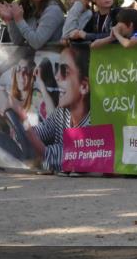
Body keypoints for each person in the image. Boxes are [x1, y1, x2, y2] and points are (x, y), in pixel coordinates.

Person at [11, 44, 91, 175]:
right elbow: (43, 131)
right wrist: (20, 132)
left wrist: (20, 116)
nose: (57, 76)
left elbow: (55, 155)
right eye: (56, 69)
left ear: (84, 86)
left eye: (64, 71)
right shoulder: (62, 112)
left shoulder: (92, 123)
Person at [0, 0, 65, 50]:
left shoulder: (53, 10)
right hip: (36, 60)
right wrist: (11, 20)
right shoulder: (29, 8)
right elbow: (17, 41)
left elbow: (36, 43)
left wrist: (19, 20)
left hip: (54, 59)